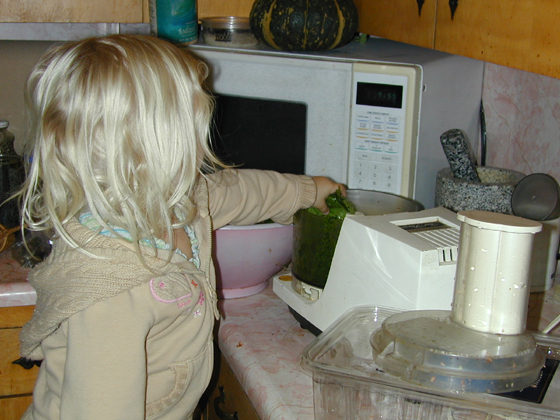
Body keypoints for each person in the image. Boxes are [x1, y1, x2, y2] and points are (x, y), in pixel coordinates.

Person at [16, 34, 344, 420]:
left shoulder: (176, 204)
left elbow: (239, 191)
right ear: (157, 145)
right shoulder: (112, 291)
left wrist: (307, 191)